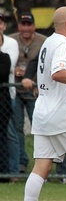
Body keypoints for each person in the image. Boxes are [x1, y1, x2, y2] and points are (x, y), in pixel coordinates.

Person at [16, 6, 66, 201]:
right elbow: (58, 73)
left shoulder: (49, 42)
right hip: (63, 113)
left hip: (44, 112)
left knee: (41, 167)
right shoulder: (64, 44)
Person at [10, 12, 47, 174]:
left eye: (29, 24)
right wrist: (14, 70)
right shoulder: (11, 40)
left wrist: (38, 82)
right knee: (17, 128)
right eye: (23, 24)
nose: (26, 28)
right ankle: (21, 163)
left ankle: (45, 163)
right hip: (15, 90)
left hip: (35, 91)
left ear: (34, 26)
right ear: (19, 26)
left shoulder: (43, 41)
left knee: (40, 128)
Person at [0, 12, 20, 180]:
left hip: (8, 94)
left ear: (4, 26)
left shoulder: (11, 43)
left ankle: (13, 171)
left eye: (0, 22)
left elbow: (8, 66)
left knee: (11, 133)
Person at [0, 34, 12, 177]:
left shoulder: (4, 58)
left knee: (3, 138)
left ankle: (3, 173)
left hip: (2, 104)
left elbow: (2, 74)